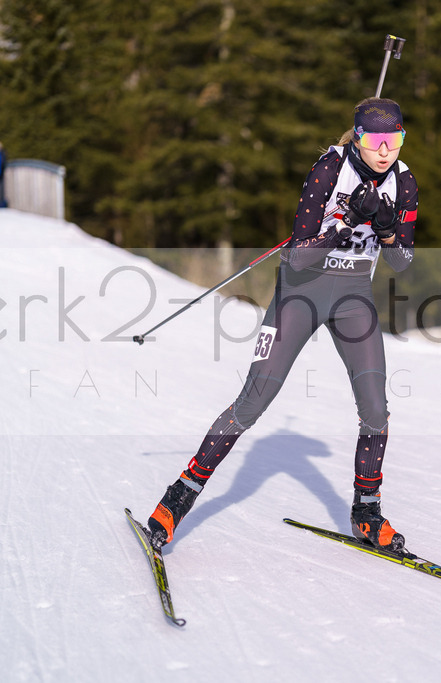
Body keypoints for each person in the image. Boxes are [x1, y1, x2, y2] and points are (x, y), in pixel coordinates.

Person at [143, 97, 419, 552]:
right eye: (375, 140)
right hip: (301, 292)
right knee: (253, 402)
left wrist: (387, 227)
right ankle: (175, 502)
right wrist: (345, 220)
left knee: (375, 408)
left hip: (353, 296)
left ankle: (366, 513)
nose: (385, 150)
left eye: (395, 140)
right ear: (358, 136)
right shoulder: (329, 169)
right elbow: (296, 255)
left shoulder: (404, 181)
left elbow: (402, 260)